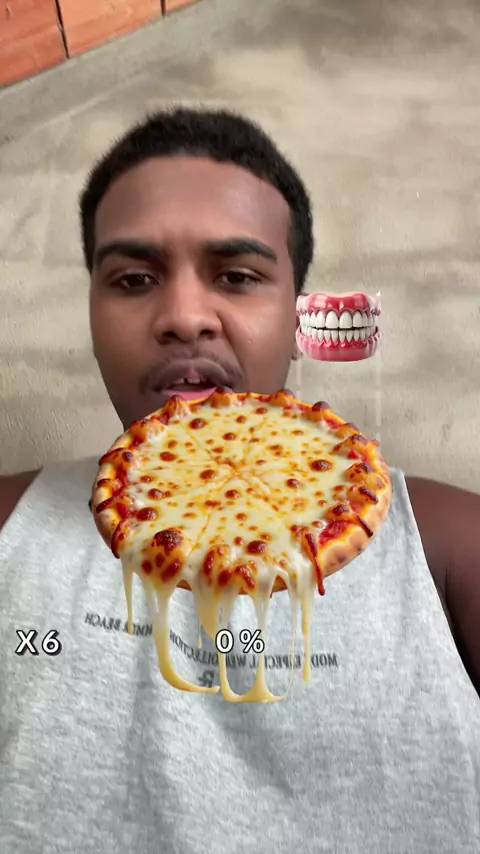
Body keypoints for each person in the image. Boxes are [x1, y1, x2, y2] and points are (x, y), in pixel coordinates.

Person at [0, 108, 479, 853]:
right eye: (134, 279)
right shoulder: (10, 524)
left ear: (298, 318)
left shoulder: (450, 548)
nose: (185, 316)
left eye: (237, 276)